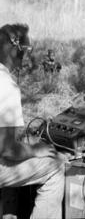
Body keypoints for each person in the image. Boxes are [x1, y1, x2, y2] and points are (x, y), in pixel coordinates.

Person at [0, 24, 65, 219]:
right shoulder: (6, 85)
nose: (26, 56)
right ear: (13, 49)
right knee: (55, 167)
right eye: (24, 50)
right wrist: (36, 150)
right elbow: (7, 150)